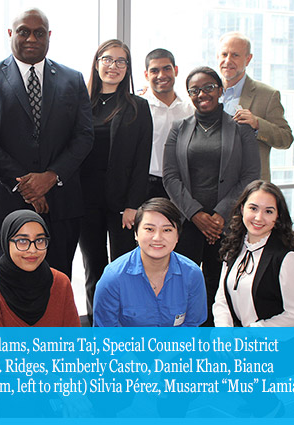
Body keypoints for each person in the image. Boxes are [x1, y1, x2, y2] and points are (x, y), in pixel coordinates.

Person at [0, 8, 94, 280]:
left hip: (60, 204)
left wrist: (51, 177)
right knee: (6, 286)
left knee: (57, 283)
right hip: (6, 202)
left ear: (49, 36)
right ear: (11, 33)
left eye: (39, 33)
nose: (31, 38)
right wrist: (26, 186)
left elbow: (84, 135)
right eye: (24, 31)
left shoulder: (72, 79)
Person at [162, 66, 260, 326]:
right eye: (194, 90)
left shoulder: (241, 129)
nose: (201, 94)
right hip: (189, 222)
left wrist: (219, 215)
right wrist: (196, 214)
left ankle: (219, 345)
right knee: (186, 285)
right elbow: (170, 177)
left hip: (226, 224)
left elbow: (250, 175)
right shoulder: (178, 129)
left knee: (222, 287)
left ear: (220, 90)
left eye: (208, 88)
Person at [80, 39, 153, 324]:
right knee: (93, 270)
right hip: (85, 202)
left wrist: (133, 205)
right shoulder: (80, 104)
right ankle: (99, 330)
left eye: (121, 61)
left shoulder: (138, 107)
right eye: (107, 59)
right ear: (97, 63)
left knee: (124, 270)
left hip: (122, 205)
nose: (113, 66)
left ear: (128, 69)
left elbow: (141, 161)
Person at [93, 198, 206, 327]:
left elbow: (191, 326)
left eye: (167, 230)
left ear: (177, 236)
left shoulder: (192, 274)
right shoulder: (113, 277)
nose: (157, 238)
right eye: (149, 229)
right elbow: (106, 335)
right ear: (136, 233)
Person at [213, 180, 294, 327]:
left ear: (277, 216)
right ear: (242, 209)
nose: (258, 217)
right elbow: (222, 298)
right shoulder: (234, 246)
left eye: (268, 211)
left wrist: (251, 333)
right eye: (253, 208)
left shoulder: (287, 258)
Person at [217, 31, 293, 181]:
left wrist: (257, 124)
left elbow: (286, 139)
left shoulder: (267, 95)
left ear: (248, 59)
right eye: (224, 54)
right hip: (212, 188)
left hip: (250, 189)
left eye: (235, 55)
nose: (228, 60)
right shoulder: (206, 93)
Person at [0, 210, 80, 327]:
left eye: (39, 240)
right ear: (6, 242)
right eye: (22, 241)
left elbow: (73, 340)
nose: (33, 250)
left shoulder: (60, 283)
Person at [140, 48, 194, 200]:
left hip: (184, 186)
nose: (161, 75)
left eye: (166, 69)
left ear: (175, 70)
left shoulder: (190, 108)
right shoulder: (139, 108)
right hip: (148, 185)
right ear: (146, 75)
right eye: (154, 71)